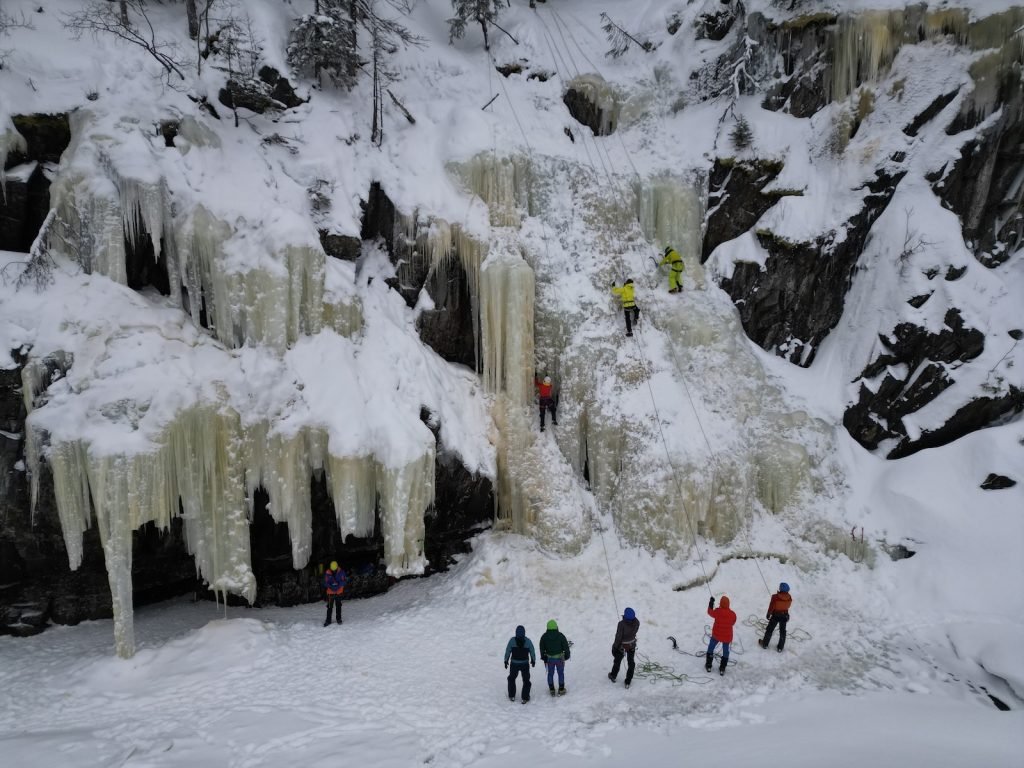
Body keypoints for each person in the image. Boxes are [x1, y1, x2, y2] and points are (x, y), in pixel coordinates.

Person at [608, 607, 640, 688]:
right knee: (631, 662)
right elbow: (635, 631)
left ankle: (613, 675)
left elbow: (618, 637)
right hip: (632, 645)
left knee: (617, 661)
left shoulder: (621, 624)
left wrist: (615, 647)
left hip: (621, 647)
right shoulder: (637, 622)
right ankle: (628, 681)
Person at [504, 625, 537, 703]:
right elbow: (532, 651)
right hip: (525, 664)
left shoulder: (512, 641)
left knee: (511, 678)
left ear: (516, 633)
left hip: (514, 663)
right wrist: (533, 660)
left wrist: (506, 660)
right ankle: (525, 697)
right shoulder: (528, 641)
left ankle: (512, 695)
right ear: (524, 633)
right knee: (526, 680)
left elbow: (508, 650)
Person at [705, 595, 736, 675]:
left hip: (716, 635)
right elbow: (733, 622)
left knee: (711, 647)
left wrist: (711, 603)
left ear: (721, 603)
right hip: (727, 637)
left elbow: (710, 612)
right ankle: (722, 668)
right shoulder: (733, 614)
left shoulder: (717, 611)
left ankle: (708, 665)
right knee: (726, 652)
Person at [539, 619, 571, 695]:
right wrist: (567, 656)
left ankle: (552, 689)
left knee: (550, 674)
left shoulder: (544, 636)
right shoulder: (561, 636)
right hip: (560, 658)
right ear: (556, 627)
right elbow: (566, 647)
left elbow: (541, 648)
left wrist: (544, 657)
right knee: (560, 673)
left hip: (549, 659)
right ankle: (561, 689)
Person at [760, 582, 792, 652]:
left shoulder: (775, 597)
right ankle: (780, 647)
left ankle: (765, 644)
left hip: (776, 616)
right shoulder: (789, 598)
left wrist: (768, 614)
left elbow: (771, 606)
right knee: (782, 632)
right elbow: (788, 606)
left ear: (780, 588)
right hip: (784, 616)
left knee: (770, 630)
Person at [323, 561, 347, 626]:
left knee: (338, 606)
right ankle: (328, 620)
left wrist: (338, 585)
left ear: (337, 568)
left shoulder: (341, 572)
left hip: (339, 592)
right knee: (329, 607)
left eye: (335, 570)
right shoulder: (328, 572)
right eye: (332, 570)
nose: (333, 571)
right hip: (330, 593)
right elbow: (325, 583)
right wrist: (331, 586)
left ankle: (338, 619)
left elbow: (344, 581)